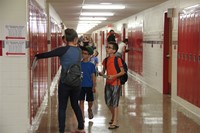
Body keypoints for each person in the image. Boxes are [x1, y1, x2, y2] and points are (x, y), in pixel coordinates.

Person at [35, 28, 85, 133]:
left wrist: (36, 56)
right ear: (75, 39)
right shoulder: (79, 50)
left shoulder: (62, 50)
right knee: (75, 104)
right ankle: (81, 125)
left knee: (62, 107)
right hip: (77, 82)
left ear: (65, 39)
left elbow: (47, 54)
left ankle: (61, 130)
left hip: (64, 82)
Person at [98, 42, 125, 129]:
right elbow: (104, 71)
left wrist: (113, 76)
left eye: (109, 48)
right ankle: (114, 117)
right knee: (108, 102)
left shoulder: (118, 60)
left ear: (114, 50)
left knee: (114, 103)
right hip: (108, 83)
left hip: (116, 83)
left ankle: (115, 122)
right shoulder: (105, 60)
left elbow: (122, 72)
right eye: (107, 47)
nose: (107, 48)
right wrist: (101, 73)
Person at [79, 46, 96, 121]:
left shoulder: (91, 65)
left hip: (89, 86)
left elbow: (93, 76)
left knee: (90, 101)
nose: (83, 55)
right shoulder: (79, 64)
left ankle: (89, 109)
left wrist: (94, 86)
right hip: (80, 86)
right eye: (82, 53)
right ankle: (82, 117)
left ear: (89, 55)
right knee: (81, 101)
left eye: (85, 54)